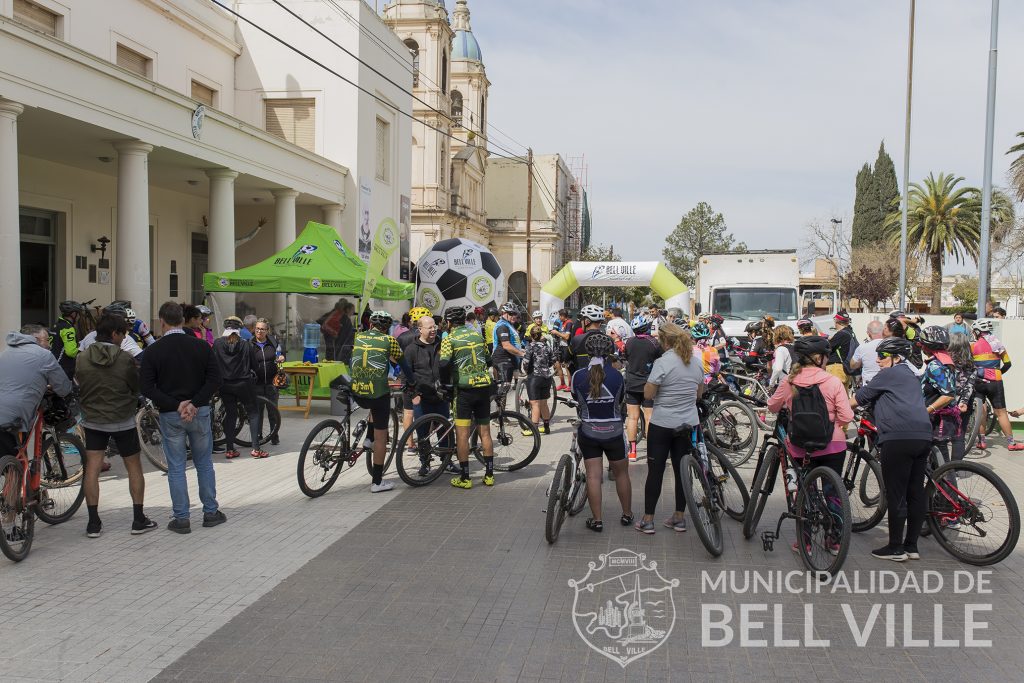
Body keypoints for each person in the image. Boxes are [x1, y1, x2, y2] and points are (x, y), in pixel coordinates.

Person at [140, 301, 225, 533]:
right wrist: (195, 403)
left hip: (171, 414)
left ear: (162, 321)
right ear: (182, 319)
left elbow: (146, 387)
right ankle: (210, 512)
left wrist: (176, 405)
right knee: (204, 463)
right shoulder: (201, 346)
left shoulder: (154, 350)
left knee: (176, 467)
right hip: (200, 411)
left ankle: (181, 518)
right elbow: (215, 379)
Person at [768, 334, 852, 554]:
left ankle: (805, 542)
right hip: (833, 445)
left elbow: (772, 406)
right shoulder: (833, 381)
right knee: (833, 491)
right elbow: (847, 416)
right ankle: (834, 541)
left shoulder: (789, 381)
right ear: (818, 358)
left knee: (806, 491)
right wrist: (833, 422)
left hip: (800, 446)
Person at [850, 337, 933, 561]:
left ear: (896, 358)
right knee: (915, 491)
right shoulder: (910, 375)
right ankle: (911, 547)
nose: (877, 360)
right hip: (923, 436)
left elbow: (858, 399)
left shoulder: (888, 374)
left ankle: (895, 548)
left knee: (896, 493)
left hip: (898, 438)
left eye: (882, 356)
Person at [75, 313, 156, 538]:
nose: (123, 338)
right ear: (114, 334)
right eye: (123, 334)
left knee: (92, 469)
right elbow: (135, 386)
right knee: (134, 467)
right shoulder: (124, 359)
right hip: (122, 419)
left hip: (93, 419)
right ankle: (138, 519)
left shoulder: (82, 357)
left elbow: (79, 383)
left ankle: (93, 523)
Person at [635, 323, 705, 534]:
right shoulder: (696, 361)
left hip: (663, 423)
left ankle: (648, 520)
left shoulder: (662, 362)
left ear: (665, 341)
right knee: (682, 471)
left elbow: (648, 395)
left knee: (655, 471)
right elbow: (699, 394)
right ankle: (679, 518)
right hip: (688, 423)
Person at [570, 333, 633, 532]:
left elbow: (575, 397)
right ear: (609, 353)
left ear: (587, 353)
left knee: (593, 477)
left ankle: (597, 520)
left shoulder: (578, 375)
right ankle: (627, 514)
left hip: (589, 432)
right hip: (614, 432)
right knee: (621, 474)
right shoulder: (617, 376)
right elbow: (620, 400)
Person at [439, 306, 495, 489]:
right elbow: (489, 360)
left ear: (449, 322)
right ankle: (489, 476)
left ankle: (465, 478)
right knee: (485, 432)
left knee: (462, 435)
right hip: (483, 388)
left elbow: (443, 363)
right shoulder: (477, 335)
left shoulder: (449, 338)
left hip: (463, 391)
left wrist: (444, 383)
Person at [0, 325, 73, 461]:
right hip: (16, 415)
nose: (49, 345)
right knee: (16, 459)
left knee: (7, 457)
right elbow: (63, 388)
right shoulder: (44, 355)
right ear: (36, 339)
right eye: (46, 340)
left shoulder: (5, 352)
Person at [350, 311, 405, 491]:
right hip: (378, 393)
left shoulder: (358, 337)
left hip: (356, 390)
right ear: (387, 328)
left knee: (371, 403)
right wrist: (411, 381)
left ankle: (368, 438)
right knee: (382, 436)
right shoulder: (389, 340)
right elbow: (403, 363)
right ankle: (377, 482)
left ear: (371, 325)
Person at [970, 318, 1021, 451]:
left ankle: (982, 442)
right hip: (995, 381)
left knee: (981, 411)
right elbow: (1008, 364)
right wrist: (997, 373)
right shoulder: (998, 344)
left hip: (978, 381)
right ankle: (1011, 443)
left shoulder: (972, 346)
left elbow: (969, 365)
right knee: (1001, 413)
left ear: (977, 332)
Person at [213, 325, 262, 459]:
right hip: (243, 384)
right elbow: (255, 365)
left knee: (231, 414)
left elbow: (213, 363)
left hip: (225, 384)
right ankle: (256, 449)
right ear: (238, 331)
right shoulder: (246, 344)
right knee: (253, 413)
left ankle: (230, 449)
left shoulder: (217, 343)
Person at [917, 326, 959, 461]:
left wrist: (927, 411)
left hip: (936, 421)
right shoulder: (945, 361)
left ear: (926, 346)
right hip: (942, 419)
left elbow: (948, 395)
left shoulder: (935, 366)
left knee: (941, 462)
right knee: (938, 460)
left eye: (921, 344)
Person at [623, 315, 661, 460]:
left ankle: (632, 451)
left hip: (631, 383)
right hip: (649, 384)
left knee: (632, 418)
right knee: (649, 417)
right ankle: (651, 450)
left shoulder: (629, 342)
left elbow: (625, 357)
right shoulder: (654, 342)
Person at [250, 317, 284, 447]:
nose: (259, 331)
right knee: (258, 412)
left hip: (272, 383)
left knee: (273, 411)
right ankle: (258, 436)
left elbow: (281, 355)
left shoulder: (273, 342)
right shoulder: (249, 344)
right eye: (257, 328)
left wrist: (282, 357)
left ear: (267, 330)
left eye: (262, 329)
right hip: (256, 384)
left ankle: (274, 435)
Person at [398, 307, 432, 433]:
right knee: (427, 411)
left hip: (407, 377)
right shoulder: (431, 336)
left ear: (412, 321)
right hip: (425, 378)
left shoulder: (402, 337)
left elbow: (394, 356)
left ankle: (409, 442)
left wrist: (400, 366)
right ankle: (425, 437)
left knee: (408, 412)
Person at [945, 333, 977, 464]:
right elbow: (970, 385)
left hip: (945, 403)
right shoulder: (971, 364)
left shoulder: (946, 362)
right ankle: (955, 468)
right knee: (959, 436)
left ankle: (941, 467)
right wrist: (963, 401)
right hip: (963, 405)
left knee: (940, 436)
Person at [79, 303, 144, 360]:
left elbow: (78, 356)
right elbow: (141, 359)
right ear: (114, 334)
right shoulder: (126, 339)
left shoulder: (89, 336)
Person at [522, 326, 555, 435]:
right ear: (541, 335)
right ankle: (546, 427)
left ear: (531, 336)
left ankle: (534, 429)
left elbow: (526, 362)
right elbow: (553, 360)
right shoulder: (546, 347)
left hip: (535, 377)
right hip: (547, 377)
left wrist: (526, 371)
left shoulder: (530, 346)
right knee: (544, 403)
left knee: (535, 404)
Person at [490, 303, 525, 384]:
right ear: (504, 313)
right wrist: (521, 354)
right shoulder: (502, 326)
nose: (514, 316)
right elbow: (506, 345)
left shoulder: (509, 324)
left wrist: (520, 349)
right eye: (511, 313)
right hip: (502, 359)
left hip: (509, 358)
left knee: (506, 386)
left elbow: (513, 342)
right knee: (504, 386)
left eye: (515, 314)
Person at [51, 300, 85, 379]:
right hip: (63, 369)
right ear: (73, 314)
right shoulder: (68, 328)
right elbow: (71, 352)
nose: (79, 317)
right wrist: (84, 352)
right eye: (79, 314)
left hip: (53, 365)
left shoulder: (56, 325)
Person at [570, 304, 606, 372]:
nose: (581, 322)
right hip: (605, 377)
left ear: (587, 321)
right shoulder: (610, 340)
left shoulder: (577, 339)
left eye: (581, 319)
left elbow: (566, 360)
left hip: (582, 376)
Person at [826, 310, 856, 389]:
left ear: (836, 321)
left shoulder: (841, 334)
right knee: (843, 394)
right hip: (845, 368)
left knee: (834, 393)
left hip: (836, 369)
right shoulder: (850, 332)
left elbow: (827, 348)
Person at [849, 320, 885, 384]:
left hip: (869, 384)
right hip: (887, 383)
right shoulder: (891, 345)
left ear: (868, 333)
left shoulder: (862, 347)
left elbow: (852, 365)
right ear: (883, 331)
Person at [768, 325, 795, 391]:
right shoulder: (794, 347)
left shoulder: (781, 349)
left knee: (773, 398)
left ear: (778, 336)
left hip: (786, 383)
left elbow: (778, 368)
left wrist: (771, 383)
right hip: (796, 381)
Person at [552, 309, 574, 390]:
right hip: (560, 346)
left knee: (567, 365)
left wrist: (556, 332)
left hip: (566, 346)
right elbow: (562, 334)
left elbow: (567, 337)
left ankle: (570, 385)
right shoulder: (563, 323)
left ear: (563, 316)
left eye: (560, 316)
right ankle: (562, 383)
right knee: (557, 363)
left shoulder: (569, 323)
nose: (559, 318)